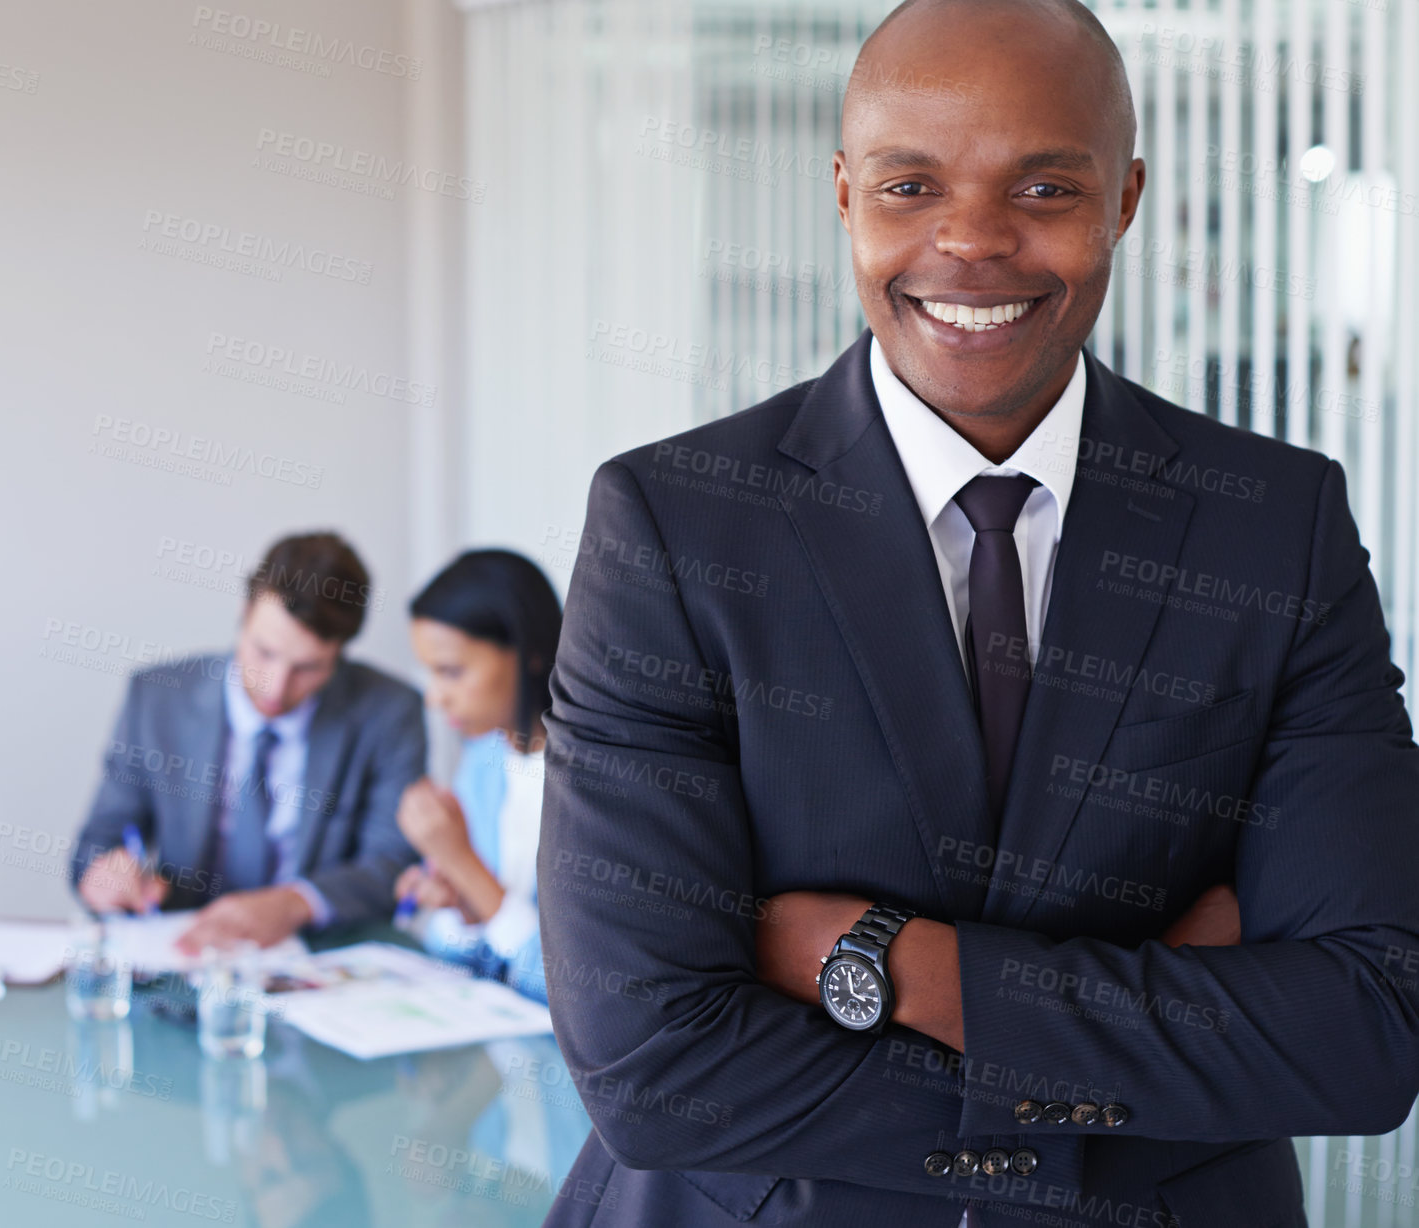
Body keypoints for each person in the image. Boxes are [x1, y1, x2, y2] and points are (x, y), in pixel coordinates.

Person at [537, 0, 1419, 1224]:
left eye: (1044, 191)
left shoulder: (1274, 526)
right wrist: (1159, 1018)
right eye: (909, 186)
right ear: (843, 194)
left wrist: (900, 967)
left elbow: (1366, 1022)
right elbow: (652, 1063)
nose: (970, 241)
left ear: (1123, 199)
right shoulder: (675, 526)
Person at [71, 532, 425, 953]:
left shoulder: (388, 711)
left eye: (308, 668)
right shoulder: (158, 697)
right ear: (244, 614)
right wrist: (107, 874)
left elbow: (391, 864)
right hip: (182, 949)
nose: (276, 688)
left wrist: (294, 904)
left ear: (340, 653)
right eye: (264, 652)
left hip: (321, 955)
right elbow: (98, 841)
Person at [395, 550, 562, 1003]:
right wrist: (460, 905)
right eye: (429, 673)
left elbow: (576, 993)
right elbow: (463, 959)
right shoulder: (484, 760)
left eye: (451, 672)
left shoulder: (599, 784)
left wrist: (465, 866)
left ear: (528, 653)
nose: (435, 699)